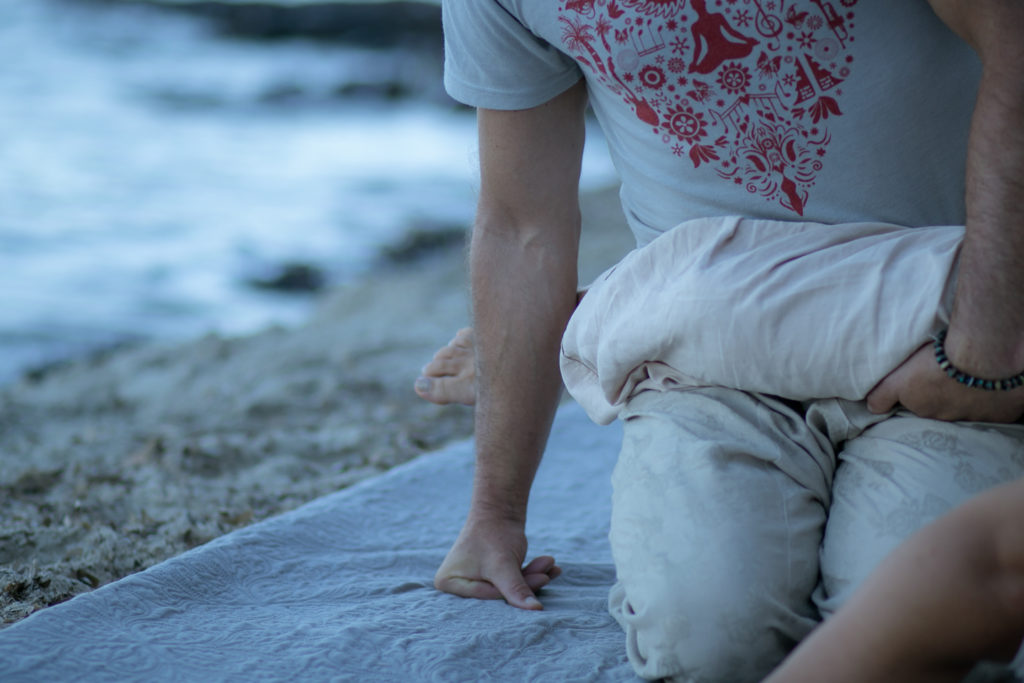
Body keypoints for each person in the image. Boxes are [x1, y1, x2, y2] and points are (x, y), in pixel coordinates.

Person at [428, 0, 1024, 679]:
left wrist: (985, 352)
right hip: (702, 366)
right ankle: (605, 319)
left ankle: (603, 318)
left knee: (923, 633)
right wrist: (496, 511)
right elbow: (520, 224)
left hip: (939, 335)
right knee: (707, 643)